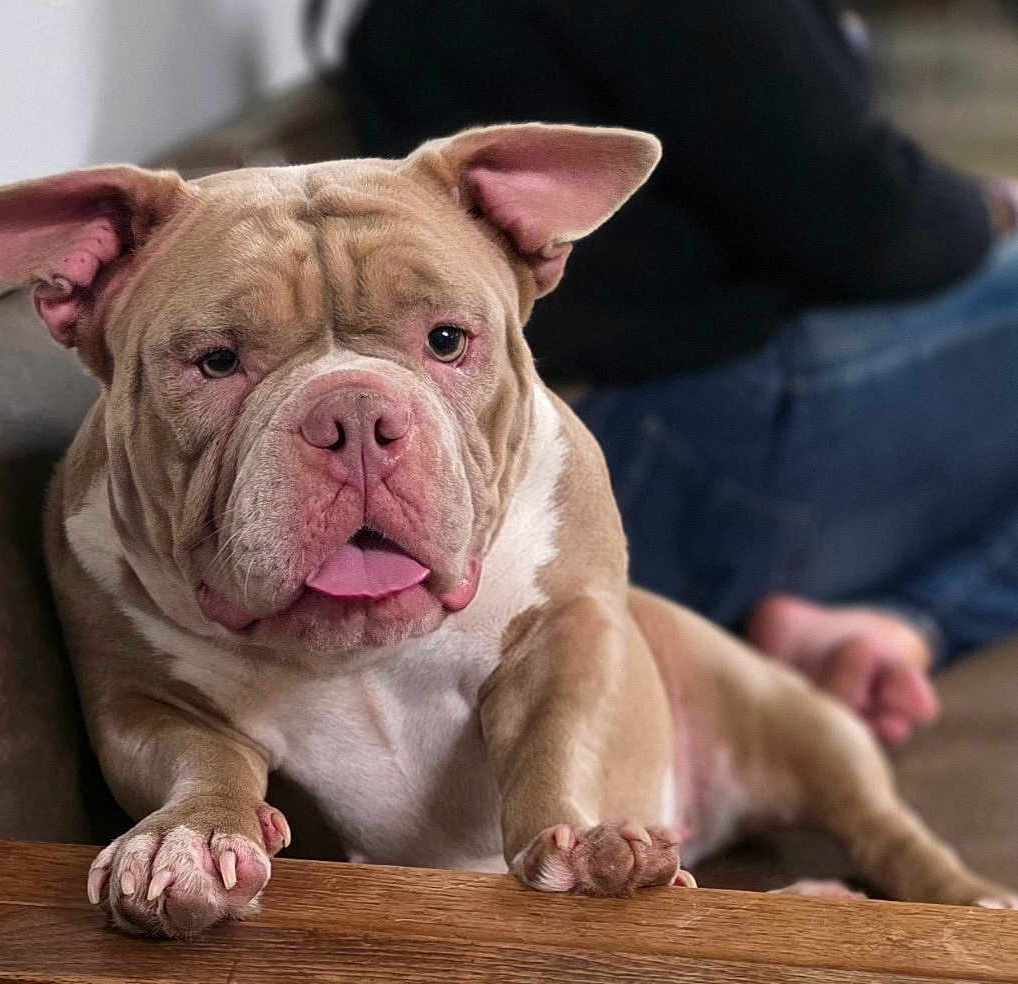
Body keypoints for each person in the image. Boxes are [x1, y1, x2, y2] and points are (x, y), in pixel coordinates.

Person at [339, 0, 1018, 743]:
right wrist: (991, 206)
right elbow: (867, 220)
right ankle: (910, 620)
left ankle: (882, 629)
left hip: (537, 458)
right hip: (643, 474)